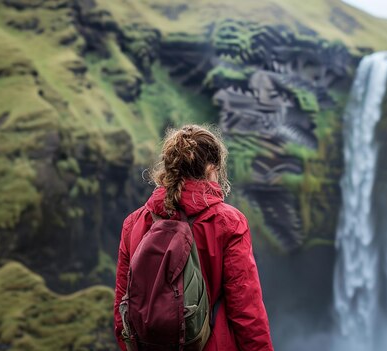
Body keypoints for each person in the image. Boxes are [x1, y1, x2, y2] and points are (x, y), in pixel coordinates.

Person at [113, 125, 274, 351]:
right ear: (211, 167)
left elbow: (123, 309)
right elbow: (246, 311)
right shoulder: (228, 222)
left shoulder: (134, 223)